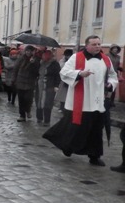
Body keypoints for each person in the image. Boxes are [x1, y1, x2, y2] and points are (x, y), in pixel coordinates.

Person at [44, 35, 118, 166]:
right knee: (75, 128)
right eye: (94, 44)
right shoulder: (76, 57)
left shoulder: (105, 59)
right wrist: (79, 74)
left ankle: (94, 156)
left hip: (98, 100)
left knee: (96, 129)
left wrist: (110, 84)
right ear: (87, 45)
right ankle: (67, 146)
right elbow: (64, 72)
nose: (97, 46)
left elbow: (113, 75)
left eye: (99, 44)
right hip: (80, 100)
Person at [12, 45, 40, 121]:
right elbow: (15, 69)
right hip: (20, 81)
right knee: (21, 99)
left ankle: (28, 110)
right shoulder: (21, 58)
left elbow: (37, 72)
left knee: (28, 99)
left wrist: (33, 63)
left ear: (32, 52)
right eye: (27, 51)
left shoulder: (36, 59)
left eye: (30, 51)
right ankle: (22, 115)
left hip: (30, 82)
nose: (28, 52)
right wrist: (14, 79)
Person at [35, 50, 61, 126]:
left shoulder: (55, 64)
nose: (43, 57)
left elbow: (58, 75)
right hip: (39, 85)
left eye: (45, 55)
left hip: (50, 86)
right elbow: (35, 72)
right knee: (39, 102)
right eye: (43, 55)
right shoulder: (40, 63)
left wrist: (56, 85)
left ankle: (47, 120)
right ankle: (39, 118)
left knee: (48, 103)